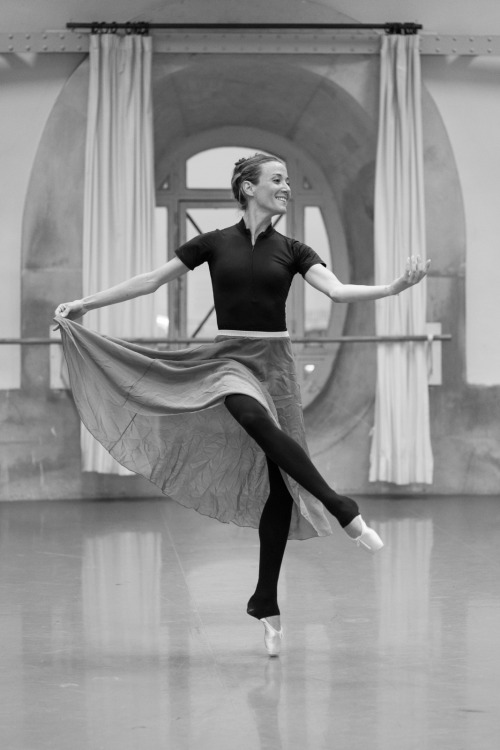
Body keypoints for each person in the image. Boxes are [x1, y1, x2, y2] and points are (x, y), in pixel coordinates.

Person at [54, 153, 429, 657]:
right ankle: (341, 507)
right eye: (278, 180)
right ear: (248, 188)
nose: (287, 187)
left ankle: (265, 602)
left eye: (290, 181)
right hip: (229, 360)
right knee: (248, 412)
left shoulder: (293, 250)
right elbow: (150, 281)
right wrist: (85, 304)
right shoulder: (213, 243)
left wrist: (395, 287)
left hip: (277, 366)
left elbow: (336, 291)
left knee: (280, 486)